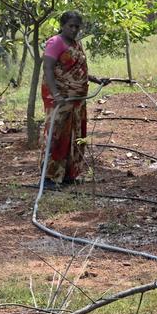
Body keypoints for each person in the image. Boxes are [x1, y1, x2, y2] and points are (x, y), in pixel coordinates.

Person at [41, 11, 107, 188]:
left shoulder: (76, 44)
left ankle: (69, 175)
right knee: (57, 133)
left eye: (77, 26)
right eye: (71, 26)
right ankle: (50, 177)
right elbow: (47, 69)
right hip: (59, 97)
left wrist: (96, 79)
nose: (74, 29)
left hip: (77, 98)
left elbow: (79, 70)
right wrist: (56, 95)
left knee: (76, 134)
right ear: (62, 25)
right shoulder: (55, 42)